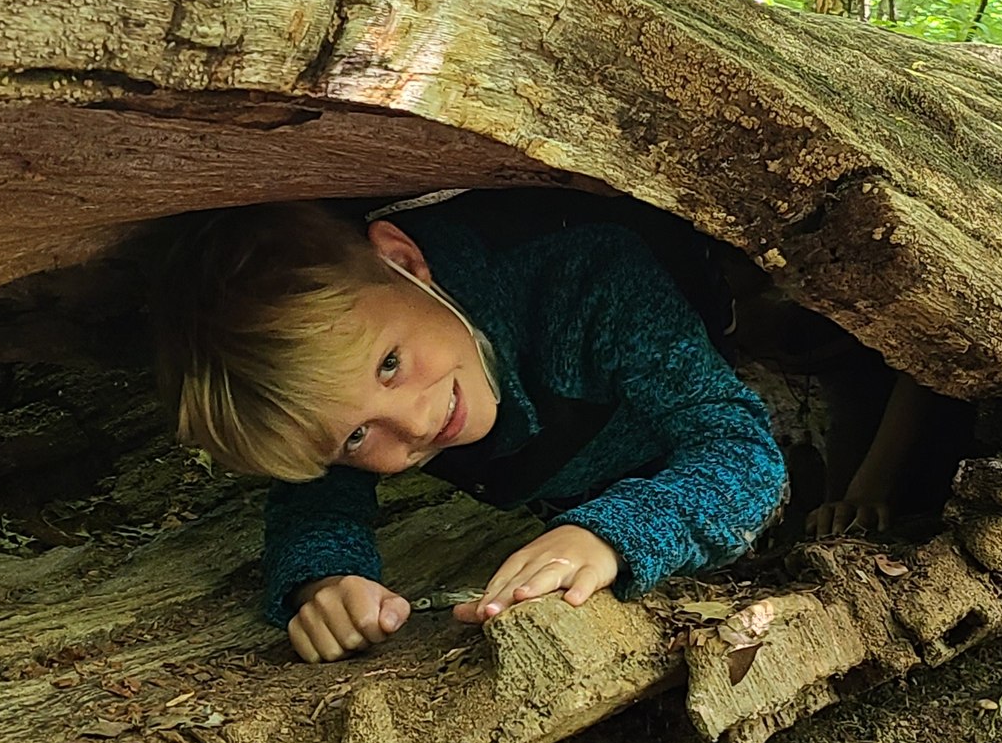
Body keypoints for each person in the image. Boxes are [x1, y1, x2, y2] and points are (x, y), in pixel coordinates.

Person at [144, 194, 788, 664]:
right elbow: (313, 498)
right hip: (562, 468)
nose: (417, 424)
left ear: (404, 261)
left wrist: (610, 536)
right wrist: (326, 580)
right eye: (357, 437)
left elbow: (744, 452)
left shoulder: (590, 280)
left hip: (676, 397)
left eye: (389, 364)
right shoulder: (354, 387)